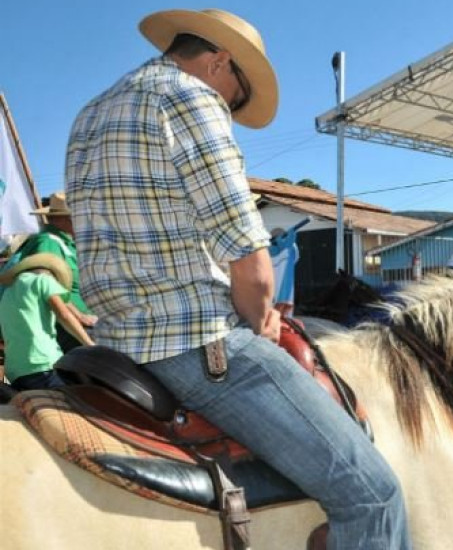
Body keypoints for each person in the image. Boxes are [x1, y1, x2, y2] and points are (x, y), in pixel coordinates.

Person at [64, 9, 409, 549]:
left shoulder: (89, 114)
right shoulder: (190, 97)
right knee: (374, 494)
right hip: (194, 342)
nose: (229, 109)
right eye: (235, 97)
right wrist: (261, 317)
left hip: (114, 345)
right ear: (219, 62)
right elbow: (248, 258)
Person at [17, 192, 97, 352]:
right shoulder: (48, 242)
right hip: (68, 329)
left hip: (76, 325)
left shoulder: (63, 243)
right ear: (63, 219)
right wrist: (79, 316)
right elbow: (47, 285)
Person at [0, 253, 94, 390]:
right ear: (51, 274)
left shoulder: (8, 292)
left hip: (15, 371)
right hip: (42, 361)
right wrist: (89, 344)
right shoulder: (43, 280)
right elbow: (64, 315)